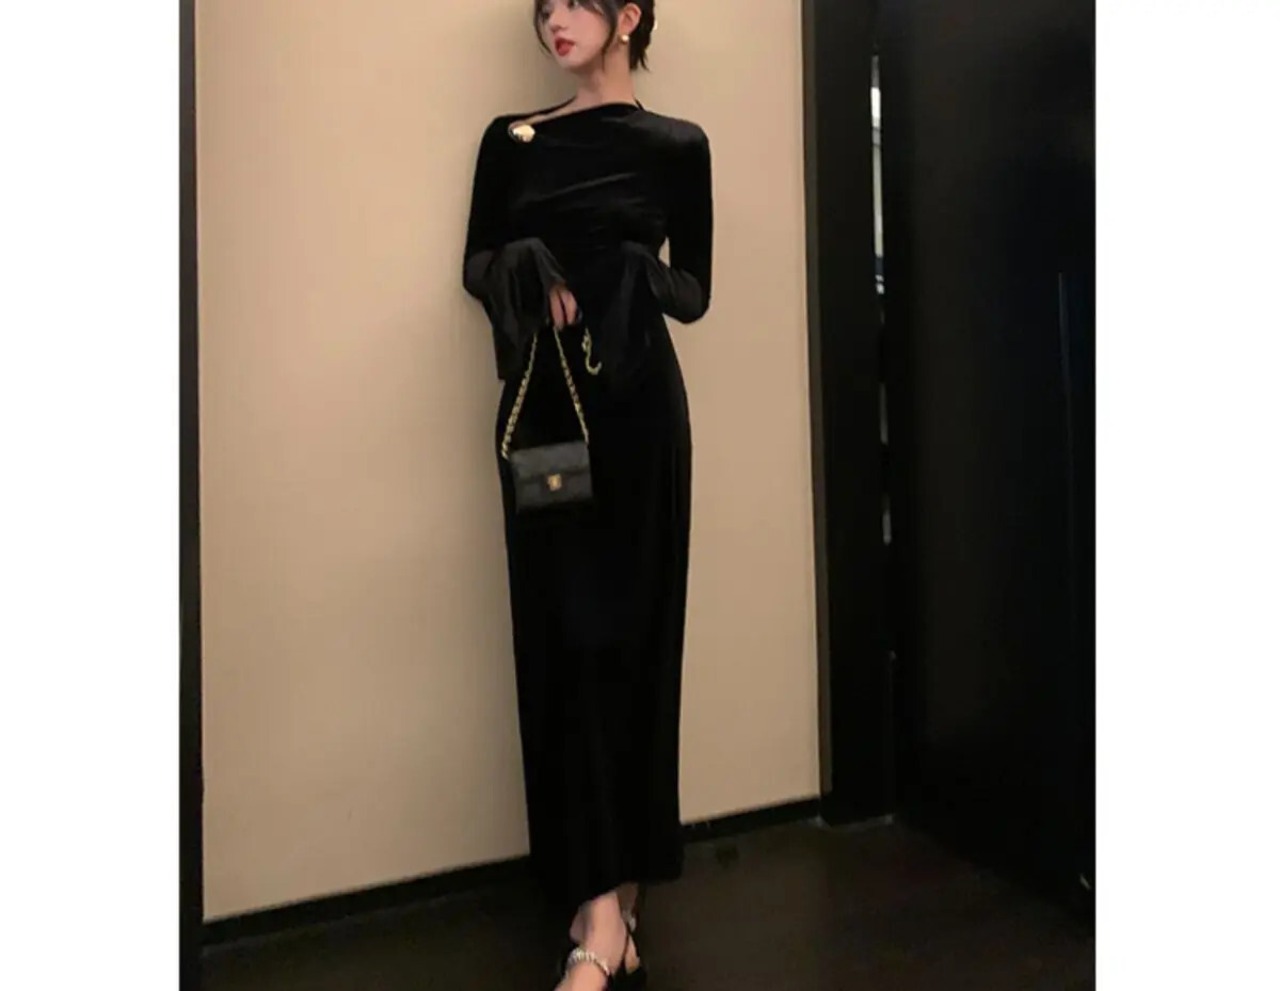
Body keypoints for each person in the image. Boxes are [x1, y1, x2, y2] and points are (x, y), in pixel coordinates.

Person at [461, 1, 713, 988]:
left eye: (575, 2)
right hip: (547, 423)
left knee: (637, 646)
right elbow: (475, 266)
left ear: (629, 15)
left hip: (641, 418)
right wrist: (517, 264)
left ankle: (605, 920)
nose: (555, 20)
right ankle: (605, 909)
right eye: (544, 6)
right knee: (563, 645)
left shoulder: (677, 145)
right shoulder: (511, 141)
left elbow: (693, 291)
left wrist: (634, 272)